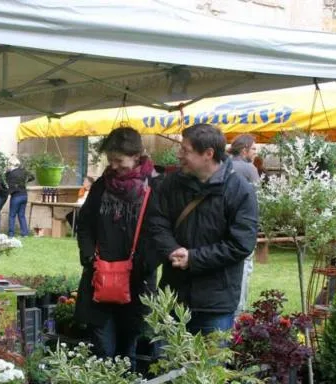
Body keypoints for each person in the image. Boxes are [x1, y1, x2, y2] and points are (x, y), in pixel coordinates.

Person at [148, 124, 258, 335]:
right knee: (165, 365)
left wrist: (194, 258)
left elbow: (241, 244)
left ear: (208, 154)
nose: (179, 155)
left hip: (215, 304)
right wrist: (171, 249)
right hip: (172, 297)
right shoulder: (171, 185)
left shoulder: (239, 190)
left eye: (185, 150)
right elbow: (156, 222)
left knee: (208, 366)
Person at [76, 127, 160, 369]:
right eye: (110, 160)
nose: (113, 166)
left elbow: (159, 231)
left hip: (137, 282)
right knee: (102, 348)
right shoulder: (102, 186)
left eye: (119, 160)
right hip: (100, 279)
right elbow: (85, 225)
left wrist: (145, 264)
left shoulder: (153, 187)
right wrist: (89, 256)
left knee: (129, 349)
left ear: (137, 156)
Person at [229, 134, 260, 314]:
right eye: (253, 148)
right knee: (245, 269)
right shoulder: (249, 169)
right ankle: (238, 311)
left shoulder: (224, 165)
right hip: (245, 227)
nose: (255, 152)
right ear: (244, 150)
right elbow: (259, 197)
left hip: (224, 226)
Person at [5, 160, 34, 237]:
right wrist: (25, 181)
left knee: (12, 215)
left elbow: (4, 181)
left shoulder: (9, 174)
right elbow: (32, 177)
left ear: (12, 165)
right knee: (21, 215)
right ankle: (25, 233)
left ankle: (11, 234)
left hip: (16, 196)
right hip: (24, 195)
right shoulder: (23, 171)